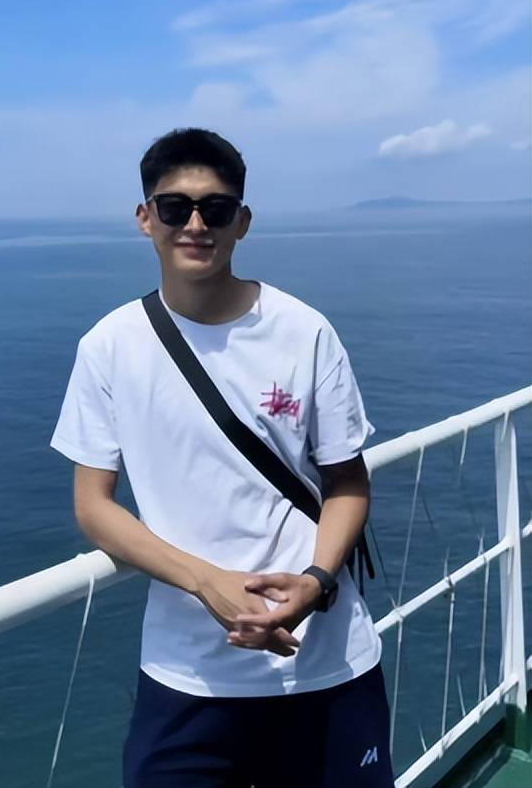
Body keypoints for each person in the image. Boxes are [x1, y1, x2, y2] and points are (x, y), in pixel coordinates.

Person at [49, 127, 396, 787]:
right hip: (187, 676)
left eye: (215, 208)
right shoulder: (110, 347)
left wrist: (316, 581)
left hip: (327, 663)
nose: (195, 224)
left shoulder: (304, 331)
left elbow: (348, 483)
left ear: (243, 221)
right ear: (145, 217)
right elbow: (93, 506)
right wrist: (206, 581)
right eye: (174, 207)